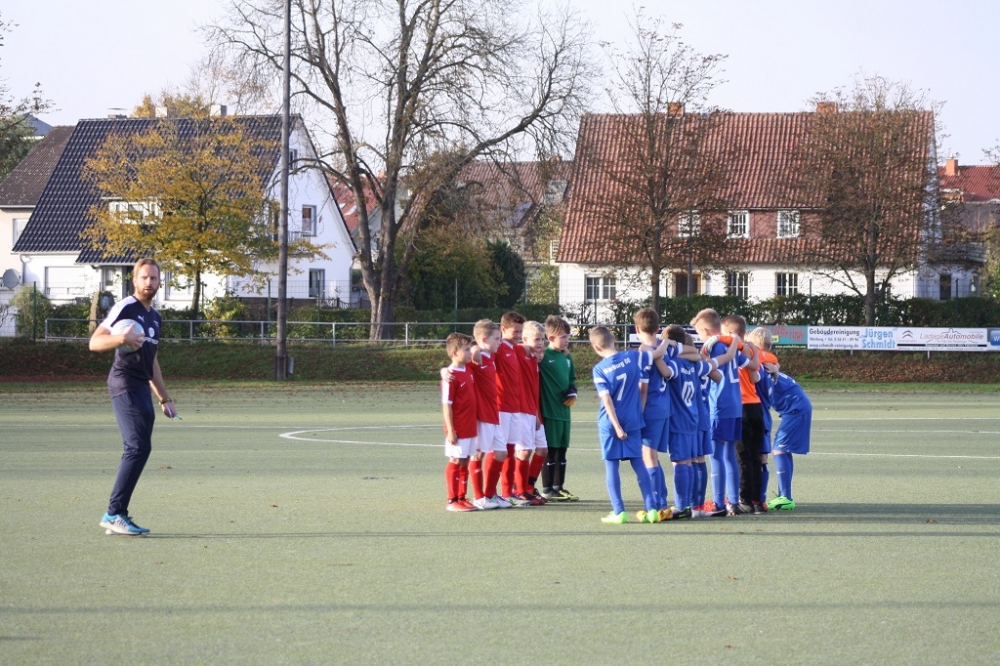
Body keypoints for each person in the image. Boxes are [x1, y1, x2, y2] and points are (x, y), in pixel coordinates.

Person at [90, 257, 177, 536]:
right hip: (124, 382)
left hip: (141, 387)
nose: (149, 282)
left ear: (160, 281)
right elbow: (94, 342)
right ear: (135, 281)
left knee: (141, 448)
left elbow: (152, 361)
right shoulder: (126, 306)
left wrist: (164, 398)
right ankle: (114, 514)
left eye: (153, 278)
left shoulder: (155, 317)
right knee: (137, 447)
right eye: (144, 277)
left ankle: (118, 514)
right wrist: (120, 339)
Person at [589, 325, 674, 524]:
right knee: (639, 463)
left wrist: (617, 427)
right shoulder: (633, 357)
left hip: (611, 423)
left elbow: (607, 400)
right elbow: (657, 354)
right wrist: (666, 341)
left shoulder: (599, 369)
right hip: (634, 419)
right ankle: (652, 509)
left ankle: (619, 512)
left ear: (596, 347)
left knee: (612, 466)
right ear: (614, 339)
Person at [691, 308, 758, 517]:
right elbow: (752, 366)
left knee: (716, 456)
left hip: (718, 406)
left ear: (705, 330)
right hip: (736, 406)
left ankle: (719, 502)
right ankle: (734, 502)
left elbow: (709, 371)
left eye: (699, 333)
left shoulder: (713, 346)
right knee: (729, 454)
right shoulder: (732, 346)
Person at [662, 325, 733, 519]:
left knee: (684, 461)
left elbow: (664, 370)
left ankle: (684, 505)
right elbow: (718, 376)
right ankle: (698, 507)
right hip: (701, 414)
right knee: (698, 460)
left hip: (683, 416)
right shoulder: (698, 363)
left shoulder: (675, 363)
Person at [721, 315, 765, 515]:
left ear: (730, 333)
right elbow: (755, 375)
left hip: (741, 406)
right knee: (755, 456)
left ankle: (745, 499)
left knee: (742, 457)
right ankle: (757, 500)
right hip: (756, 406)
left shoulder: (731, 349)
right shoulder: (752, 349)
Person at [760, 353, 811, 511]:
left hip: (796, 410)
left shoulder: (764, 370)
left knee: (779, 450)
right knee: (783, 450)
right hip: (796, 410)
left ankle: (786, 498)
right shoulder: (770, 368)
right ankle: (784, 495)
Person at [468, 319, 510, 509]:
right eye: (496, 339)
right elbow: (455, 364)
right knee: (478, 454)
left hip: (494, 414)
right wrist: (474, 348)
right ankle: (479, 497)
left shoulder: (491, 356)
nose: (500, 342)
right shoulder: (474, 359)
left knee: (501, 453)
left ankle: (490, 494)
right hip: (481, 415)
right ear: (485, 340)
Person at [537, 315, 578, 501]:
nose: (567, 340)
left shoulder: (566, 357)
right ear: (551, 337)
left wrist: (573, 391)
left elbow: (572, 379)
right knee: (551, 450)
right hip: (550, 412)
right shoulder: (543, 357)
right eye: (563, 337)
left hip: (564, 413)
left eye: (568, 336)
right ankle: (547, 489)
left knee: (562, 450)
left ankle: (559, 487)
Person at [493, 311, 531, 507]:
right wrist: (445, 371)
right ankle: (490, 493)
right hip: (502, 407)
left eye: (520, 331)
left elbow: (535, 351)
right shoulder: (498, 348)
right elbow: (476, 354)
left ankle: (508, 493)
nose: (518, 335)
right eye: (515, 331)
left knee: (510, 450)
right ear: (503, 329)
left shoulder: (516, 349)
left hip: (515, 408)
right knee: (499, 451)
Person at [441, 333, 479, 512]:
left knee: (465, 460)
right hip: (458, 426)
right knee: (456, 459)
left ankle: (462, 497)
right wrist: (451, 430)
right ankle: (452, 500)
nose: (470, 352)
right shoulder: (450, 376)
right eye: (466, 349)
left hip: (470, 425)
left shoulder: (468, 369)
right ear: (455, 353)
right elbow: (446, 405)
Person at [745, 327, 780, 506]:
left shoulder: (759, 364)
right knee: (762, 458)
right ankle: (761, 498)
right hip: (765, 414)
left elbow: (753, 374)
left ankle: (751, 496)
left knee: (748, 457)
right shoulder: (771, 363)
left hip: (755, 412)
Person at [516, 320, 548, 504]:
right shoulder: (521, 353)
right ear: (525, 339)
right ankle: (519, 490)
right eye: (536, 339)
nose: (540, 343)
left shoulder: (534, 359)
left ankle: (528, 486)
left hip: (533, 411)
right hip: (522, 411)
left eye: (542, 339)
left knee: (542, 449)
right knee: (524, 451)